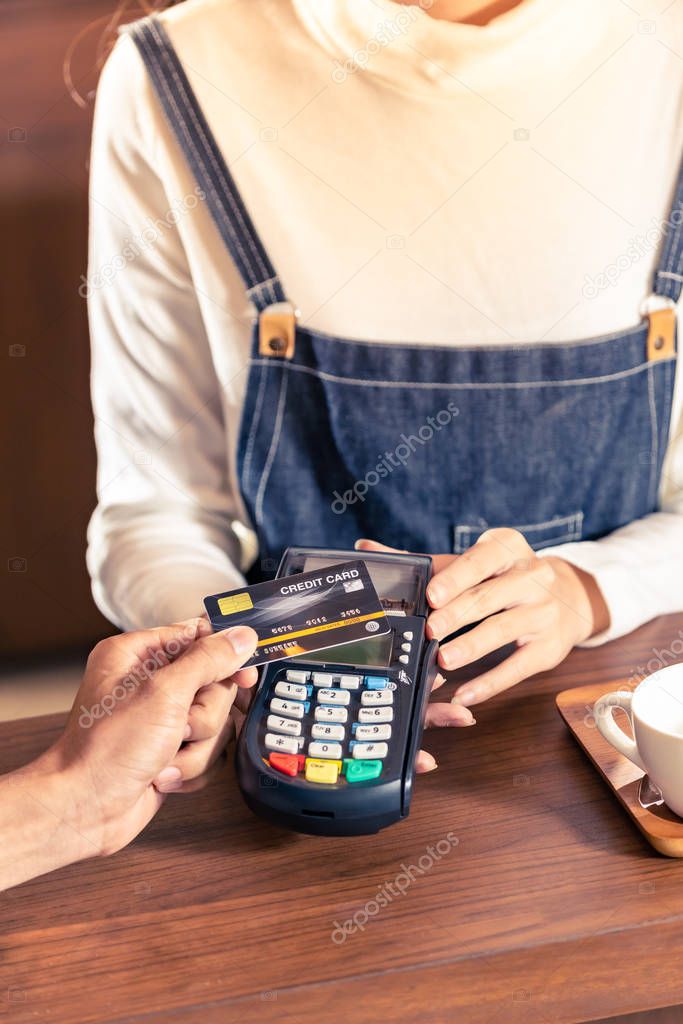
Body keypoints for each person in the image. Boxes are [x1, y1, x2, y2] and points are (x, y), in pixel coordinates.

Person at [86, 0, 683, 736]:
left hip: (620, 726)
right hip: (291, 722)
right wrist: (241, 654)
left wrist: (587, 587)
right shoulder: (174, 72)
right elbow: (156, 511)